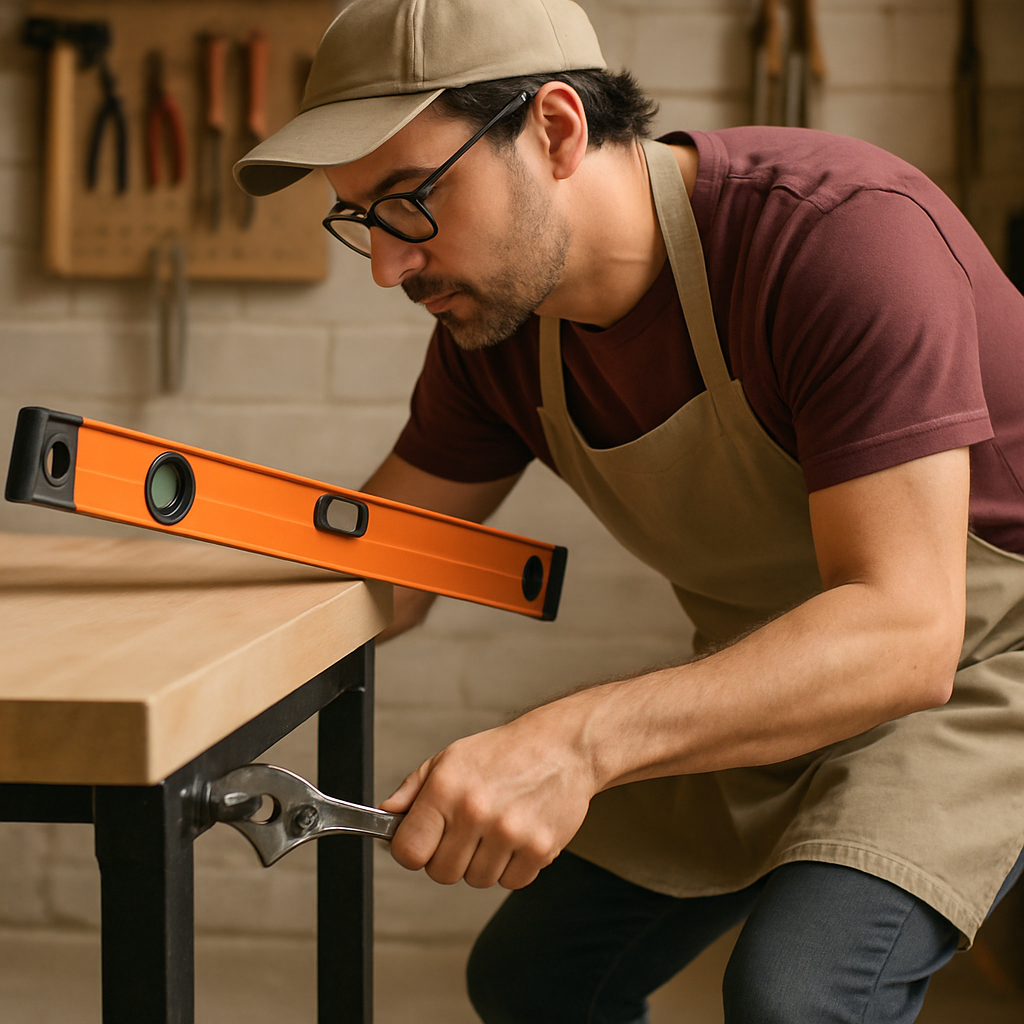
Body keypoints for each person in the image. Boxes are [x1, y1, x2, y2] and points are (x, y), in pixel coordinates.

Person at [235, 1, 1024, 1021]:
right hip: (784, 669)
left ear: (556, 128)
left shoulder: (835, 239)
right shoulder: (500, 336)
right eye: (360, 221)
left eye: (409, 200)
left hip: (981, 672)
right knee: (536, 975)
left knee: (799, 992)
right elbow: (386, 571)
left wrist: (572, 742)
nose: (389, 266)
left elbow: (906, 635)